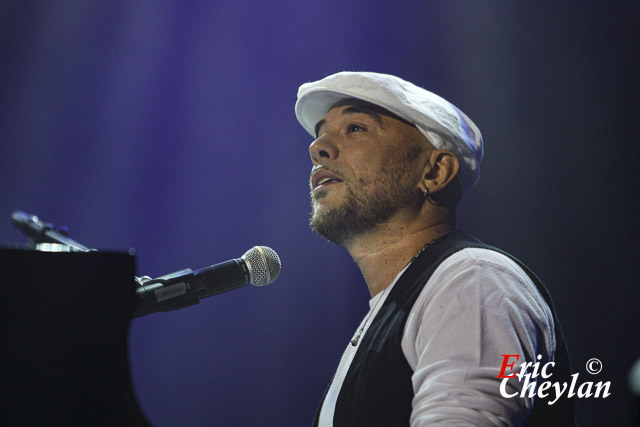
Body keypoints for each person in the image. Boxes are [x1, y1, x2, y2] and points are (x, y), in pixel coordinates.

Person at [294, 71, 575, 426]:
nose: (317, 148)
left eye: (356, 128)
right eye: (321, 135)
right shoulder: (394, 309)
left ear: (435, 171)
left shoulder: (473, 281)